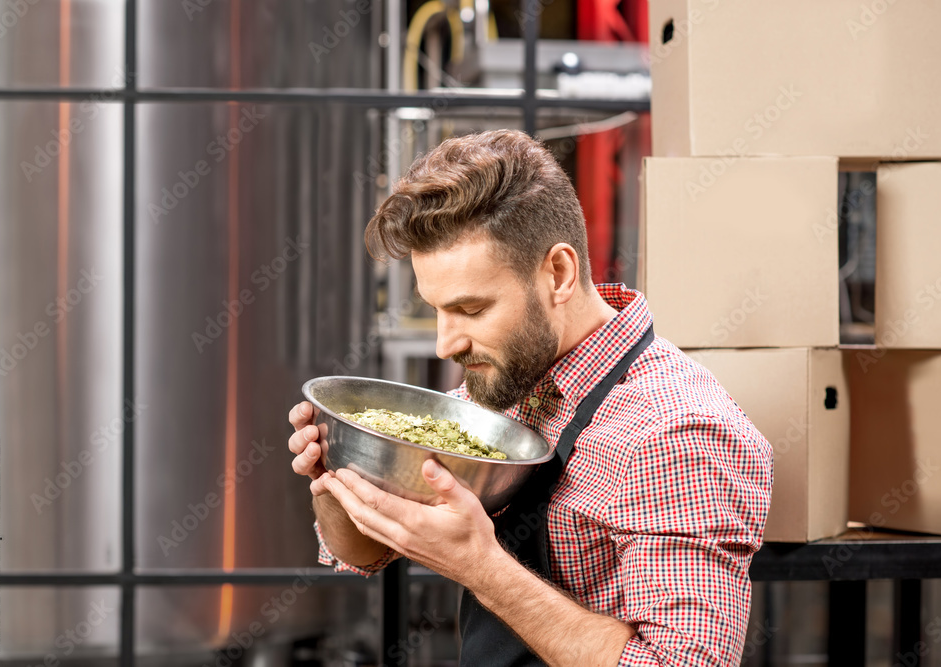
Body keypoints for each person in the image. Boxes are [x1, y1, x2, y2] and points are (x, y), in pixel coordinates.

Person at [288, 129, 773, 666]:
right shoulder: (505, 385)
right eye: (436, 309)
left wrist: (482, 567)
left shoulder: (676, 431)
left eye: (471, 310)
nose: (446, 344)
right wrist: (338, 478)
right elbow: (366, 554)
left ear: (559, 274)